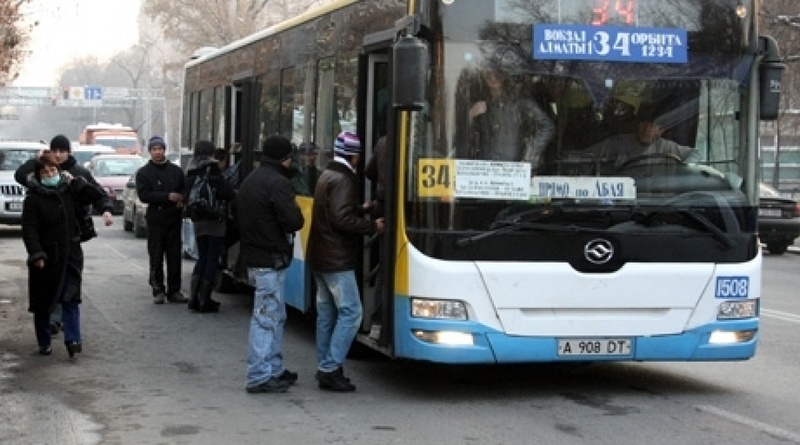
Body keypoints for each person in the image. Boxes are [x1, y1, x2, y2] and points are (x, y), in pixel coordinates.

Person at [307, 131, 385, 392]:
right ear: (353, 155)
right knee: (352, 312)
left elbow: (335, 213)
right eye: (359, 154)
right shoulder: (343, 179)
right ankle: (330, 368)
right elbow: (341, 219)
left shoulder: (327, 175)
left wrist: (361, 209)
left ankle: (325, 365)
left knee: (327, 314)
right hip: (336, 258)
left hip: (320, 257)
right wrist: (371, 225)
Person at [15, 134, 115, 337]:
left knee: (68, 285)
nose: (58, 156)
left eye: (62, 151)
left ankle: (65, 328)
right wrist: (37, 159)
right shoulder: (41, 171)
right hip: (48, 241)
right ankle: (53, 320)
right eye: (55, 151)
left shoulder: (78, 172)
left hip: (71, 236)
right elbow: (20, 175)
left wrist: (105, 209)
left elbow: (97, 193)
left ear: (69, 152)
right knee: (52, 284)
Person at [237, 134, 304, 394]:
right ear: (285, 158)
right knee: (266, 317)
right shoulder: (278, 183)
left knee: (276, 315)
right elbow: (293, 221)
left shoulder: (252, 179)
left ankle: (274, 368)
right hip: (270, 258)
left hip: (255, 255)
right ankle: (259, 375)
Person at [457, 69, 555, 168]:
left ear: (505, 75)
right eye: (488, 73)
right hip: (484, 167)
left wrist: (529, 155)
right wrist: (470, 115)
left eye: (497, 73)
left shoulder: (520, 102)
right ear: (482, 75)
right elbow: (458, 134)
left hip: (512, 167)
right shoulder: (477, 101)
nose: (493, 77)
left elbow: (547, 126)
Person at [183, 140, 235, 313]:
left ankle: (193, 298)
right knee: (212, 258)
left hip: (198, 220)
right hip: (215, 220)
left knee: (202, 257)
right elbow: (224, 192)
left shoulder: (191, 168)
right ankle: (205, 299)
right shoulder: (212, 169)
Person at [136, 136, 188, 305]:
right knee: (156, 256)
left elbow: (184, 189)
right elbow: (144, 195)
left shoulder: (176, 171)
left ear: (164, 150)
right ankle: (158, 289)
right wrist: (167, 196)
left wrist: (181, 200)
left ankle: (175, 290)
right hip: (156, 219)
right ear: (150, 151)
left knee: (174, 256)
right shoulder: (144, 173)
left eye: (160, 148)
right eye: (154, 149)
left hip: (173, 219)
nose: (158, 152)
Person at [587, 105, 700, 170]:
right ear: (637, 125)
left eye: (653, 125)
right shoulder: (619, 143)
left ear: (661, 131)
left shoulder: (666, 147)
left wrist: (684, 169)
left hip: (657, 202)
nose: (647, 129)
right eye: (644, 123)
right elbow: (587, 155)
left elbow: (694, 154)